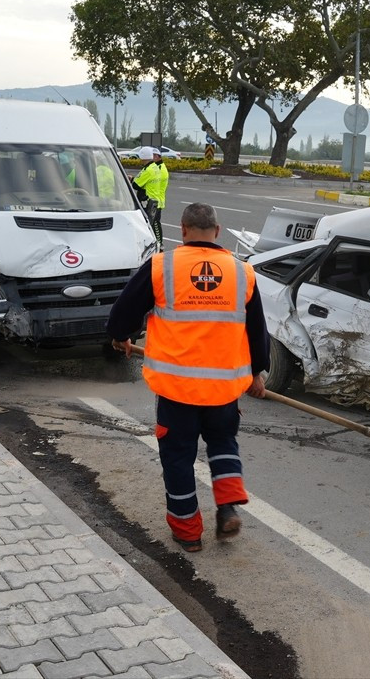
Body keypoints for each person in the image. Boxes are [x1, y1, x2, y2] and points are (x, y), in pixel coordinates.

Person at [106, 202, 270, 553]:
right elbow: (257, 331)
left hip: (177, 389)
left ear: (182, 230)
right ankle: (226, 508)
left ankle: (187, 533)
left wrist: (122, 336)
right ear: (218, 230)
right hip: (224, 390)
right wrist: (256, 374)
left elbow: (124, 312)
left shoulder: (161, 267)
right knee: (223, 445)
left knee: (178, 458)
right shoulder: (242, 272)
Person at [134, 147, 168, 249]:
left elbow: (136, 185)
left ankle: (158, 245)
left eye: (154, 155)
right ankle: (158, 244)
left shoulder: (151, 170)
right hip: (156, 199)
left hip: (151, 200)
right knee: (154, 224)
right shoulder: (157, 168)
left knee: (152, 224)